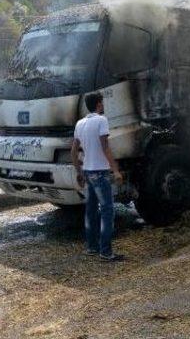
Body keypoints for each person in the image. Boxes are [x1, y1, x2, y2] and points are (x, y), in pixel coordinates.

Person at [71, 92, 124, 261]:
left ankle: (92, 247)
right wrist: (115, 170)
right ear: (99, 104)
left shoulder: (80, 123)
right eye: (102, 102)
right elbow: (105, 147)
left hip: (87, 171)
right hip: (100, 172)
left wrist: (79, 172)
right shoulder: (102, 120)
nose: (103, 105)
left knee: (91, 211)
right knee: (107, 210)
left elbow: (73, 151)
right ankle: (106, 251)